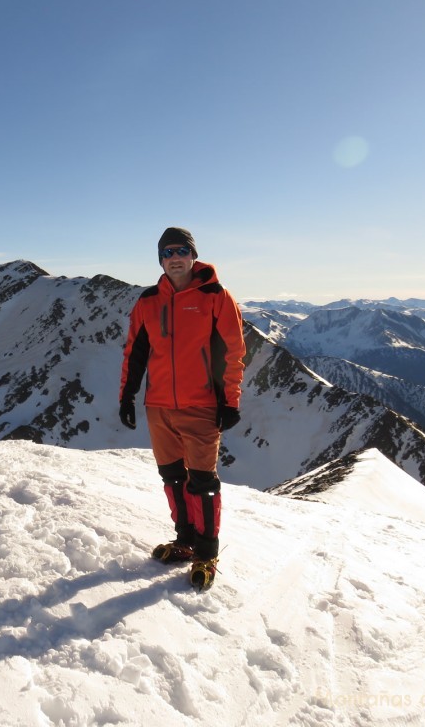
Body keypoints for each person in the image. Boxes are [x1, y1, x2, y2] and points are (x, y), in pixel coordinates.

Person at [119, 226, 246, 588]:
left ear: (192, 255)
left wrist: (229, 400)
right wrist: (126, 396)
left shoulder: (215, 296)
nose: (174, 258)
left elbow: (233, 351)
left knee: (202, 482)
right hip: (158, 405)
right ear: (160, 259)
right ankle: (186, 542)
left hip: (201, 404)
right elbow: (135, 352)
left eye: (181, 251)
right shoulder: (147, 301)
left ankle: (207, 552)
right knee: (173, 478)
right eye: (167, 252)